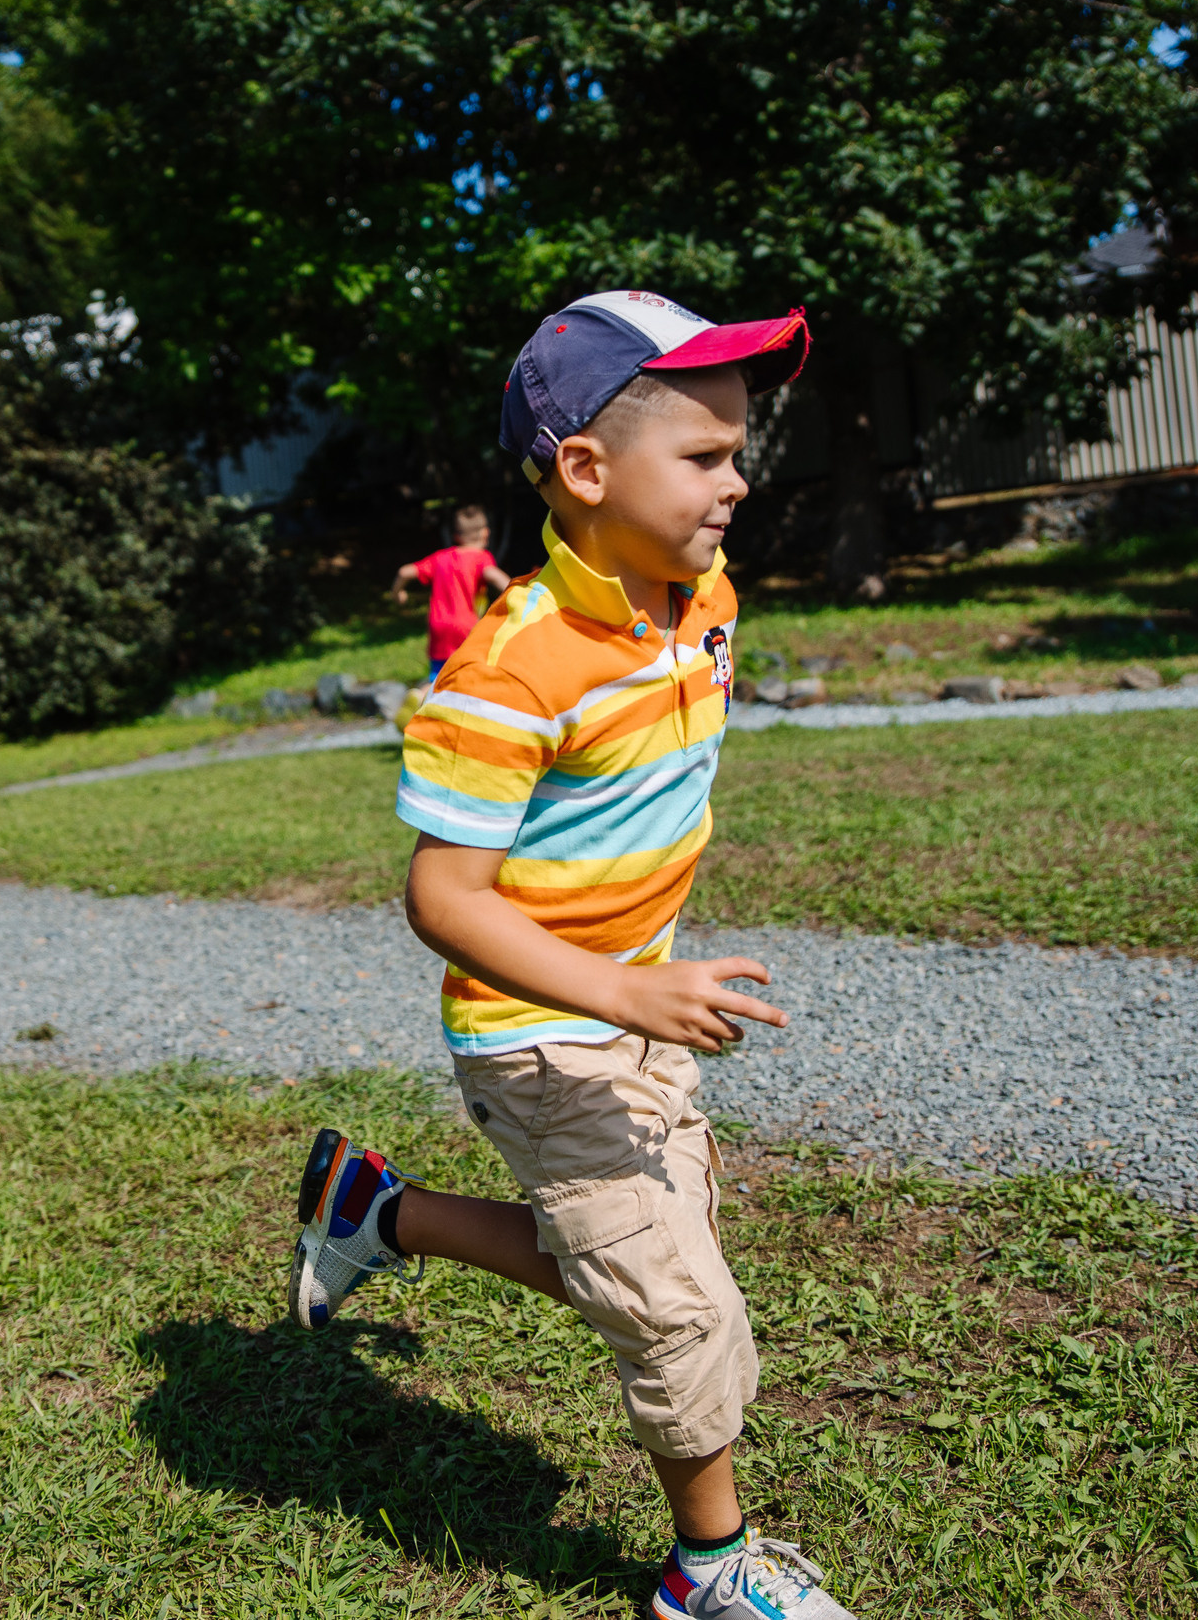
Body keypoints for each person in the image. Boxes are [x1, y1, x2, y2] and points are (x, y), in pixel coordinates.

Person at [288, 290, 855, 1620]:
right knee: (673, 1307)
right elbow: (444, 894)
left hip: (641, 1005)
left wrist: (643, 980)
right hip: (541, 1030)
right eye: (706, 455)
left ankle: (377, 1209)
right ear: (587, 470)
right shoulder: (508, 667)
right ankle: (705, 1571)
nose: (741, 476)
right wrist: (617, 988)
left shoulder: (705, 594)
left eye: (738, 449)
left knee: (637, 1262)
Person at [391, 503, 512, 681]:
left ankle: (422, 694)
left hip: (438, 625)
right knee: (470, 672)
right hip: (466, 626)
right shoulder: (481, 558)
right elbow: (494, 575)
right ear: (485, 533)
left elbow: (404, 572)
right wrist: (515, 591)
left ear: (456, 536)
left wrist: (398, 594)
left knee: (439, 674)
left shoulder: (440, 557)